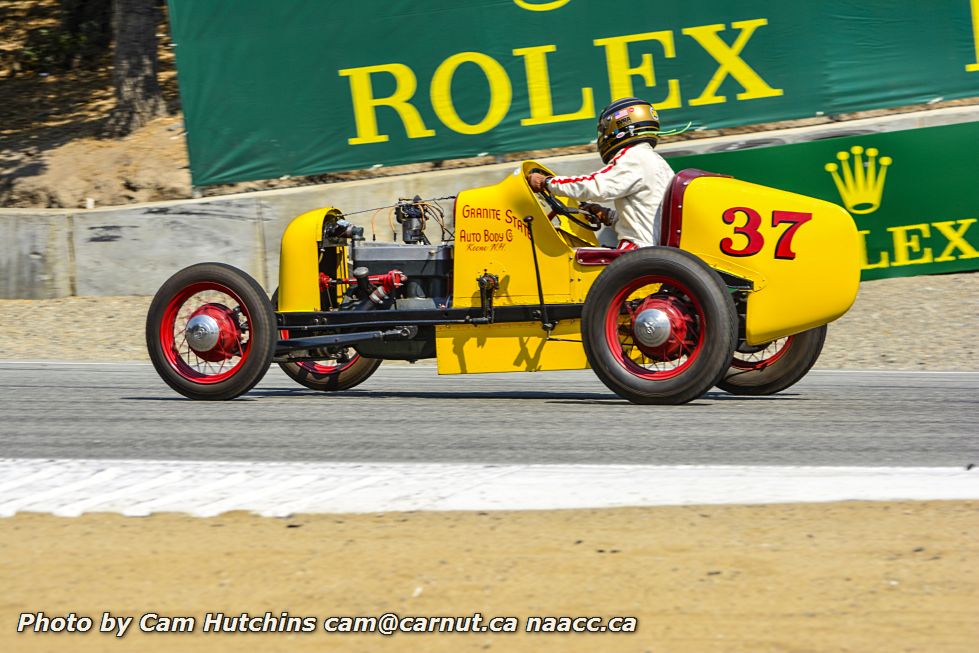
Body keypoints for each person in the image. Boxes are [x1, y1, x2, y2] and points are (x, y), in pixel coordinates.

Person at [527, 97, 675, 250]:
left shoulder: (632, 157)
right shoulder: (656, 161)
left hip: (637, 253)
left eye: (604, 130)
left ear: (619, 127)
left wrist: (548, 183)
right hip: (654, 252)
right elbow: (646, 218)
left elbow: (595, 187)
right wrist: (606, 215)